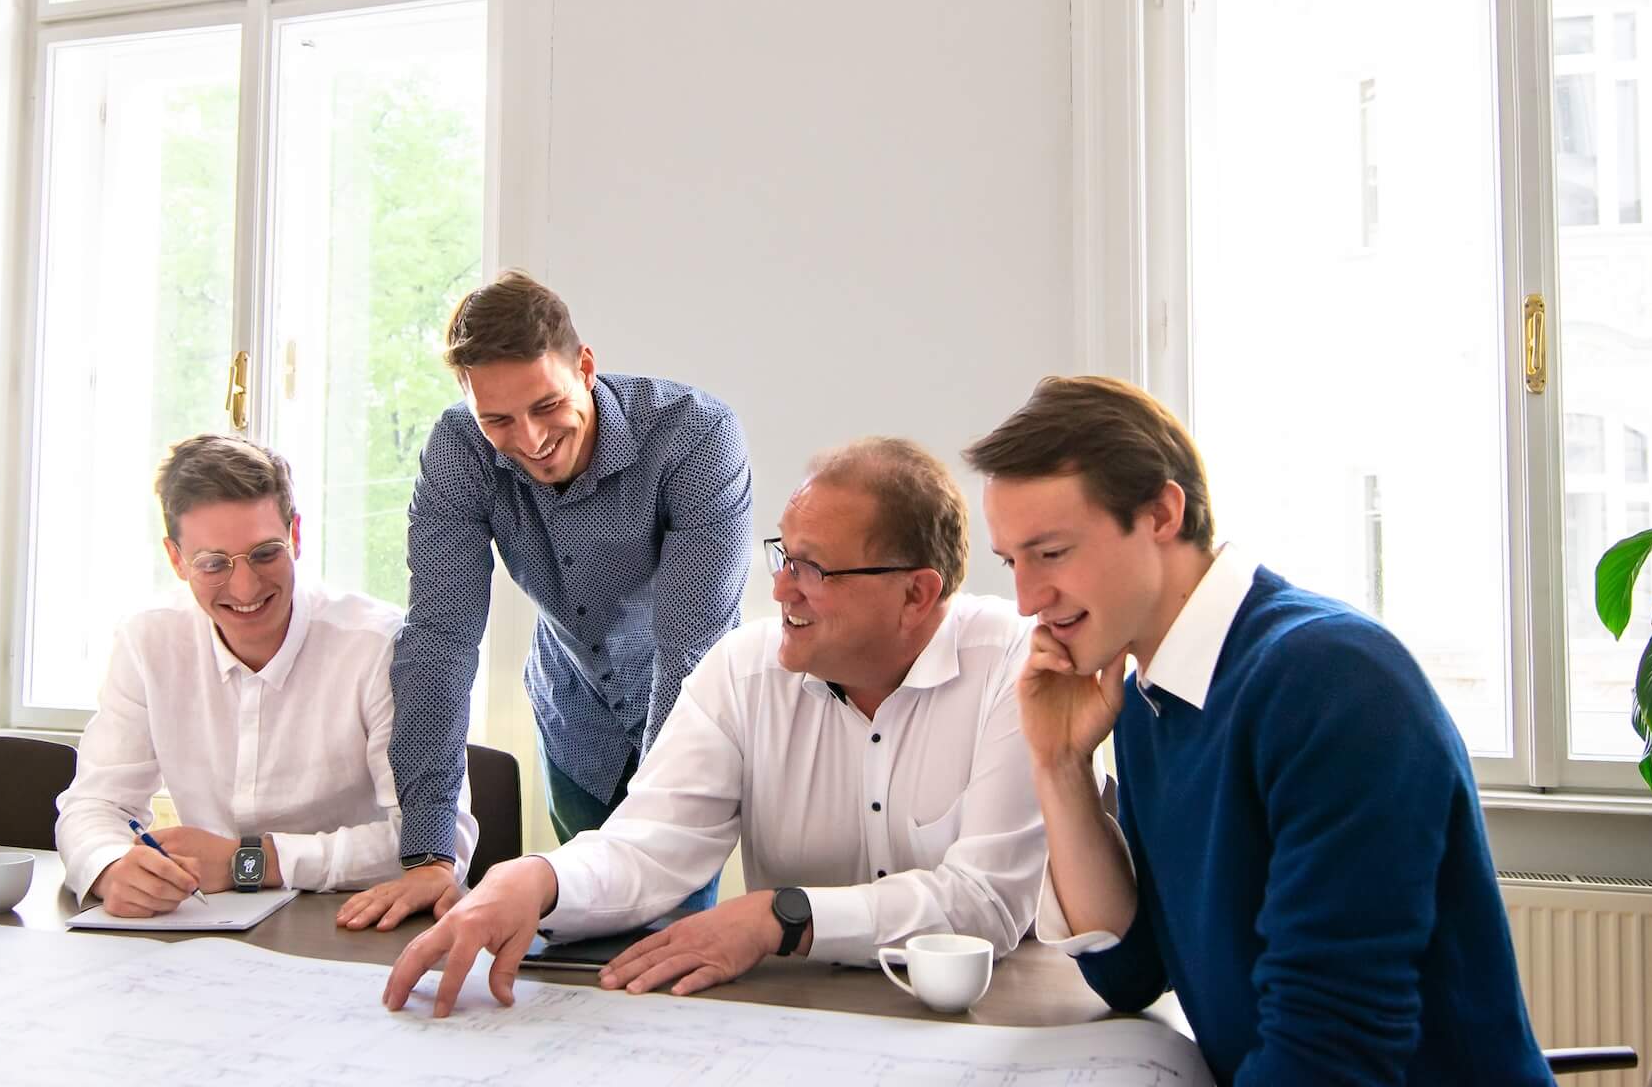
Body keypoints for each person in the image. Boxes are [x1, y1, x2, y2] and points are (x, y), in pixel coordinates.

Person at [965, 377, 1593, 1087]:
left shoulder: (1329, 679)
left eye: (1051, 553)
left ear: (1162, 512)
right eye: (1013, 561)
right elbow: (1129, 967)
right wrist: (1058, 764)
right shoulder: (1152, 693)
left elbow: (1332, 1049)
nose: (1026, 598)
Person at [381, 439, 1044, 1016]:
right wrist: (537, 879)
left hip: (990, 1022)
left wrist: (783, 917)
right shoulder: (743, 667)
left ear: (916, 594)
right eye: (784, 555)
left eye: (813, 568)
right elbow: (653, 841)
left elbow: (984, 899)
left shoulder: (1013, 664)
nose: (782, 589)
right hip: (797, 1016)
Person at [339, 271, 752, 932]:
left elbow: (689, 650)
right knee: (581, 937)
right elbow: (440, 641)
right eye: (497, 418)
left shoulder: (697, 436)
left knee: (665, 942)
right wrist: (427, 852)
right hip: (575, 721)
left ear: (585, 366)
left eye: (545, 405)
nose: (529, 439)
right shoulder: (457, 450)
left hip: (688, 711)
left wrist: (643, 845)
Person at [56, 435, 475, 914]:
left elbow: (440, 845)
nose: (245, 586)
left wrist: (248, 862)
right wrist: (110, 866)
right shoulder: (147, 642)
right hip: (204, 927)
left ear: (295, 535)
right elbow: (94, 805)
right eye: (213, 563)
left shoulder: (379, 647)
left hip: (352, 925)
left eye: (265, 553)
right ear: (176, 559)